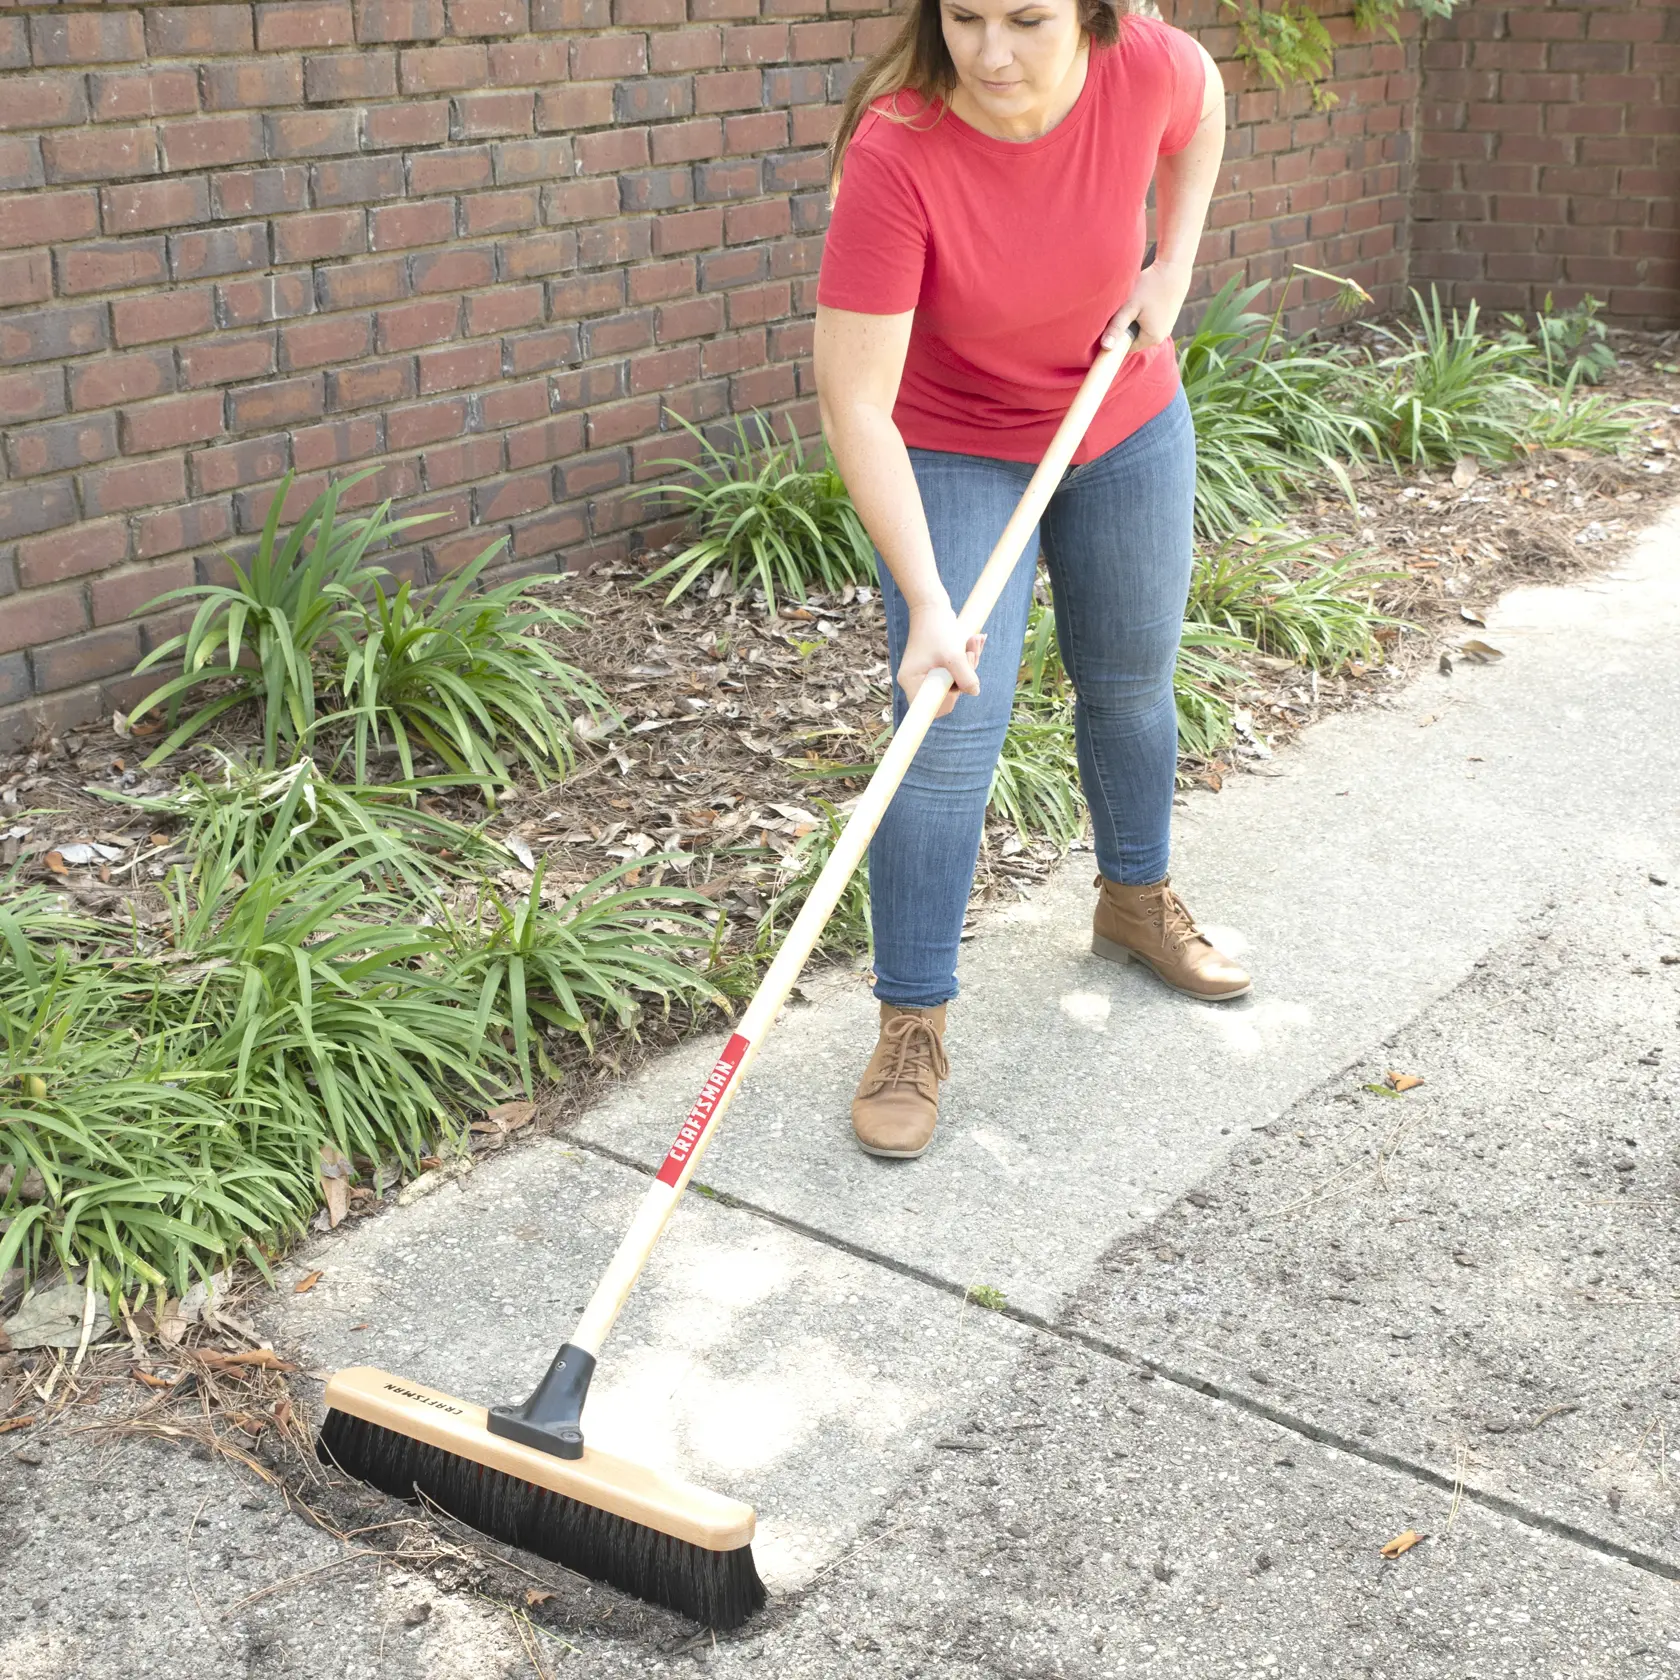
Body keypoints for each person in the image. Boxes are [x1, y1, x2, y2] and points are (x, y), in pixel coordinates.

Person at [814, 0, 1247, 1160]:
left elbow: (1204, 108)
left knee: (1127, 680)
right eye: (964, 16)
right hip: (954, 447)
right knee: (945, 725)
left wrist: (1173, 260)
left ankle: (1135, 902)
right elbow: (857, 403)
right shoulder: (900, 150)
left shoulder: (1144, 62)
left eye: (1027, 18)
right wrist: (925, 600)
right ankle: (912, 1015)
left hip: (1123, 418)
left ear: (1092, 14)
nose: (992, 52)